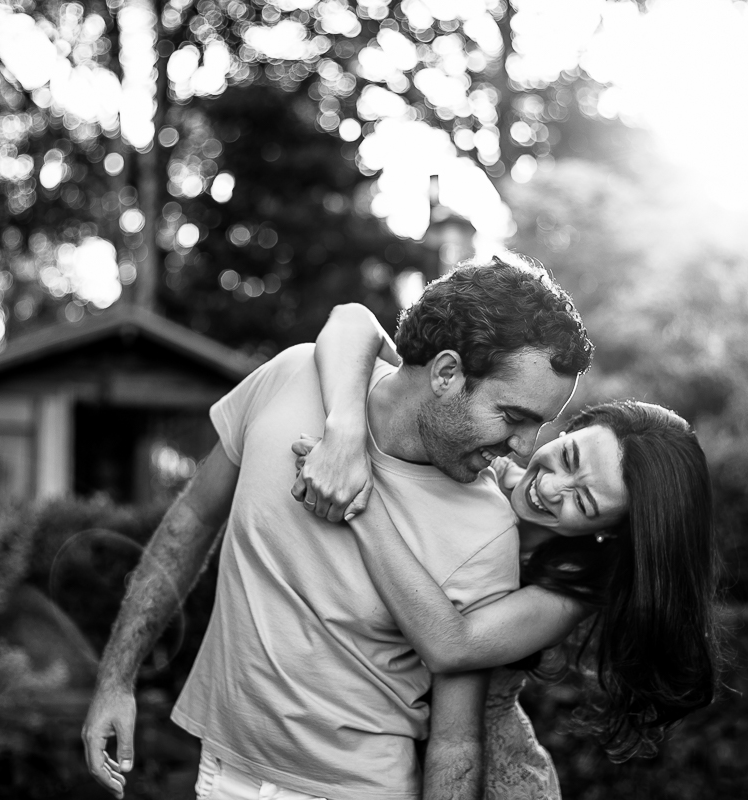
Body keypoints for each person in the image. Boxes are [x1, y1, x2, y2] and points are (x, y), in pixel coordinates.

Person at [82, 257, 593, 800]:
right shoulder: (292, 376)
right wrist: (116, 678)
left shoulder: (488, 526)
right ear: (446, 373)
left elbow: (455, 739)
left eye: (539, 426)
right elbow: (191, 519)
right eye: (514, 416)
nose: (525, 448)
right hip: (221, 769)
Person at [291, 303, 723, 799]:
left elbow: (452, 646)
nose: (552, 486)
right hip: (377, 745)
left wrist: (359, 502)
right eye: (568, 455)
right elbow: (353, 324)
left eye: (582, 501)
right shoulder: (482, 462)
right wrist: (344, 431)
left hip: (488, 776)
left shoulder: (571, 588)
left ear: (611, 531)